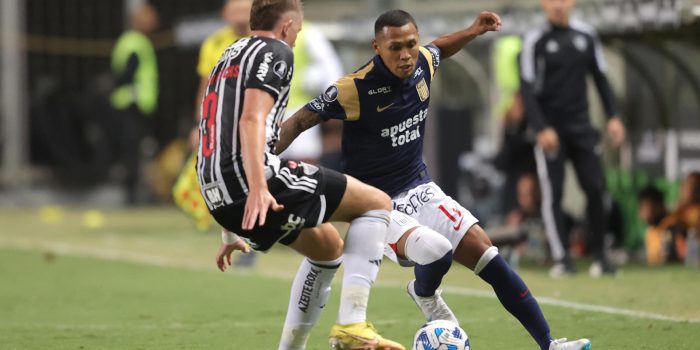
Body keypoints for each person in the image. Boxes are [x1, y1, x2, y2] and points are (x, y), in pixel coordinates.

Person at [278, 9, 591, 350]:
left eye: (411, 44)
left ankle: (550, 344)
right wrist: (259, 158)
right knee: (438, 252)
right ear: (377, 47)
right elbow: (298, 121)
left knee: (488, 254)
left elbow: (441, 47)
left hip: (421, 187)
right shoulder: (354, 87)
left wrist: (473, 30)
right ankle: (425, 294)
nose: (405, 55)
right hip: (374, 204)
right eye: (395, 47)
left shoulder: (424, 62)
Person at [195, 1, 401, 349]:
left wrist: (228, 229)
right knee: (377, 203)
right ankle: (353, 324)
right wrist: (259, 188)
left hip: (217, 191)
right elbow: (250, 120)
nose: (298, 35)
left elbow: (216, 132)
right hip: (254, 181)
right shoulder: (275, 51)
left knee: (328, 247)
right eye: (299, 28)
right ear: (287, 25)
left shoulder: (229, 54)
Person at [520, 0, 626, 277]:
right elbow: (527, 89)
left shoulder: (586, 36)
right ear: (543, 4)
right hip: (550, 132)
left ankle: (602, 258)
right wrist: (541, 127)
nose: (558, 5)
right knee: (553, 193)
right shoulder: (535, 40)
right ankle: (562, 259)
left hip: (582, 127)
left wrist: (613, 117)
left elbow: (601, 79)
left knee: (595, 188)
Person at [110, 2, 159, 204]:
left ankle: (132, 193)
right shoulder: (136, 43)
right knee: (131, 152)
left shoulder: (129, 40)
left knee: (133, 150)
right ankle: (131, 196)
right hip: (132, 103)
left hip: (132, 103)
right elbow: (126, 75)